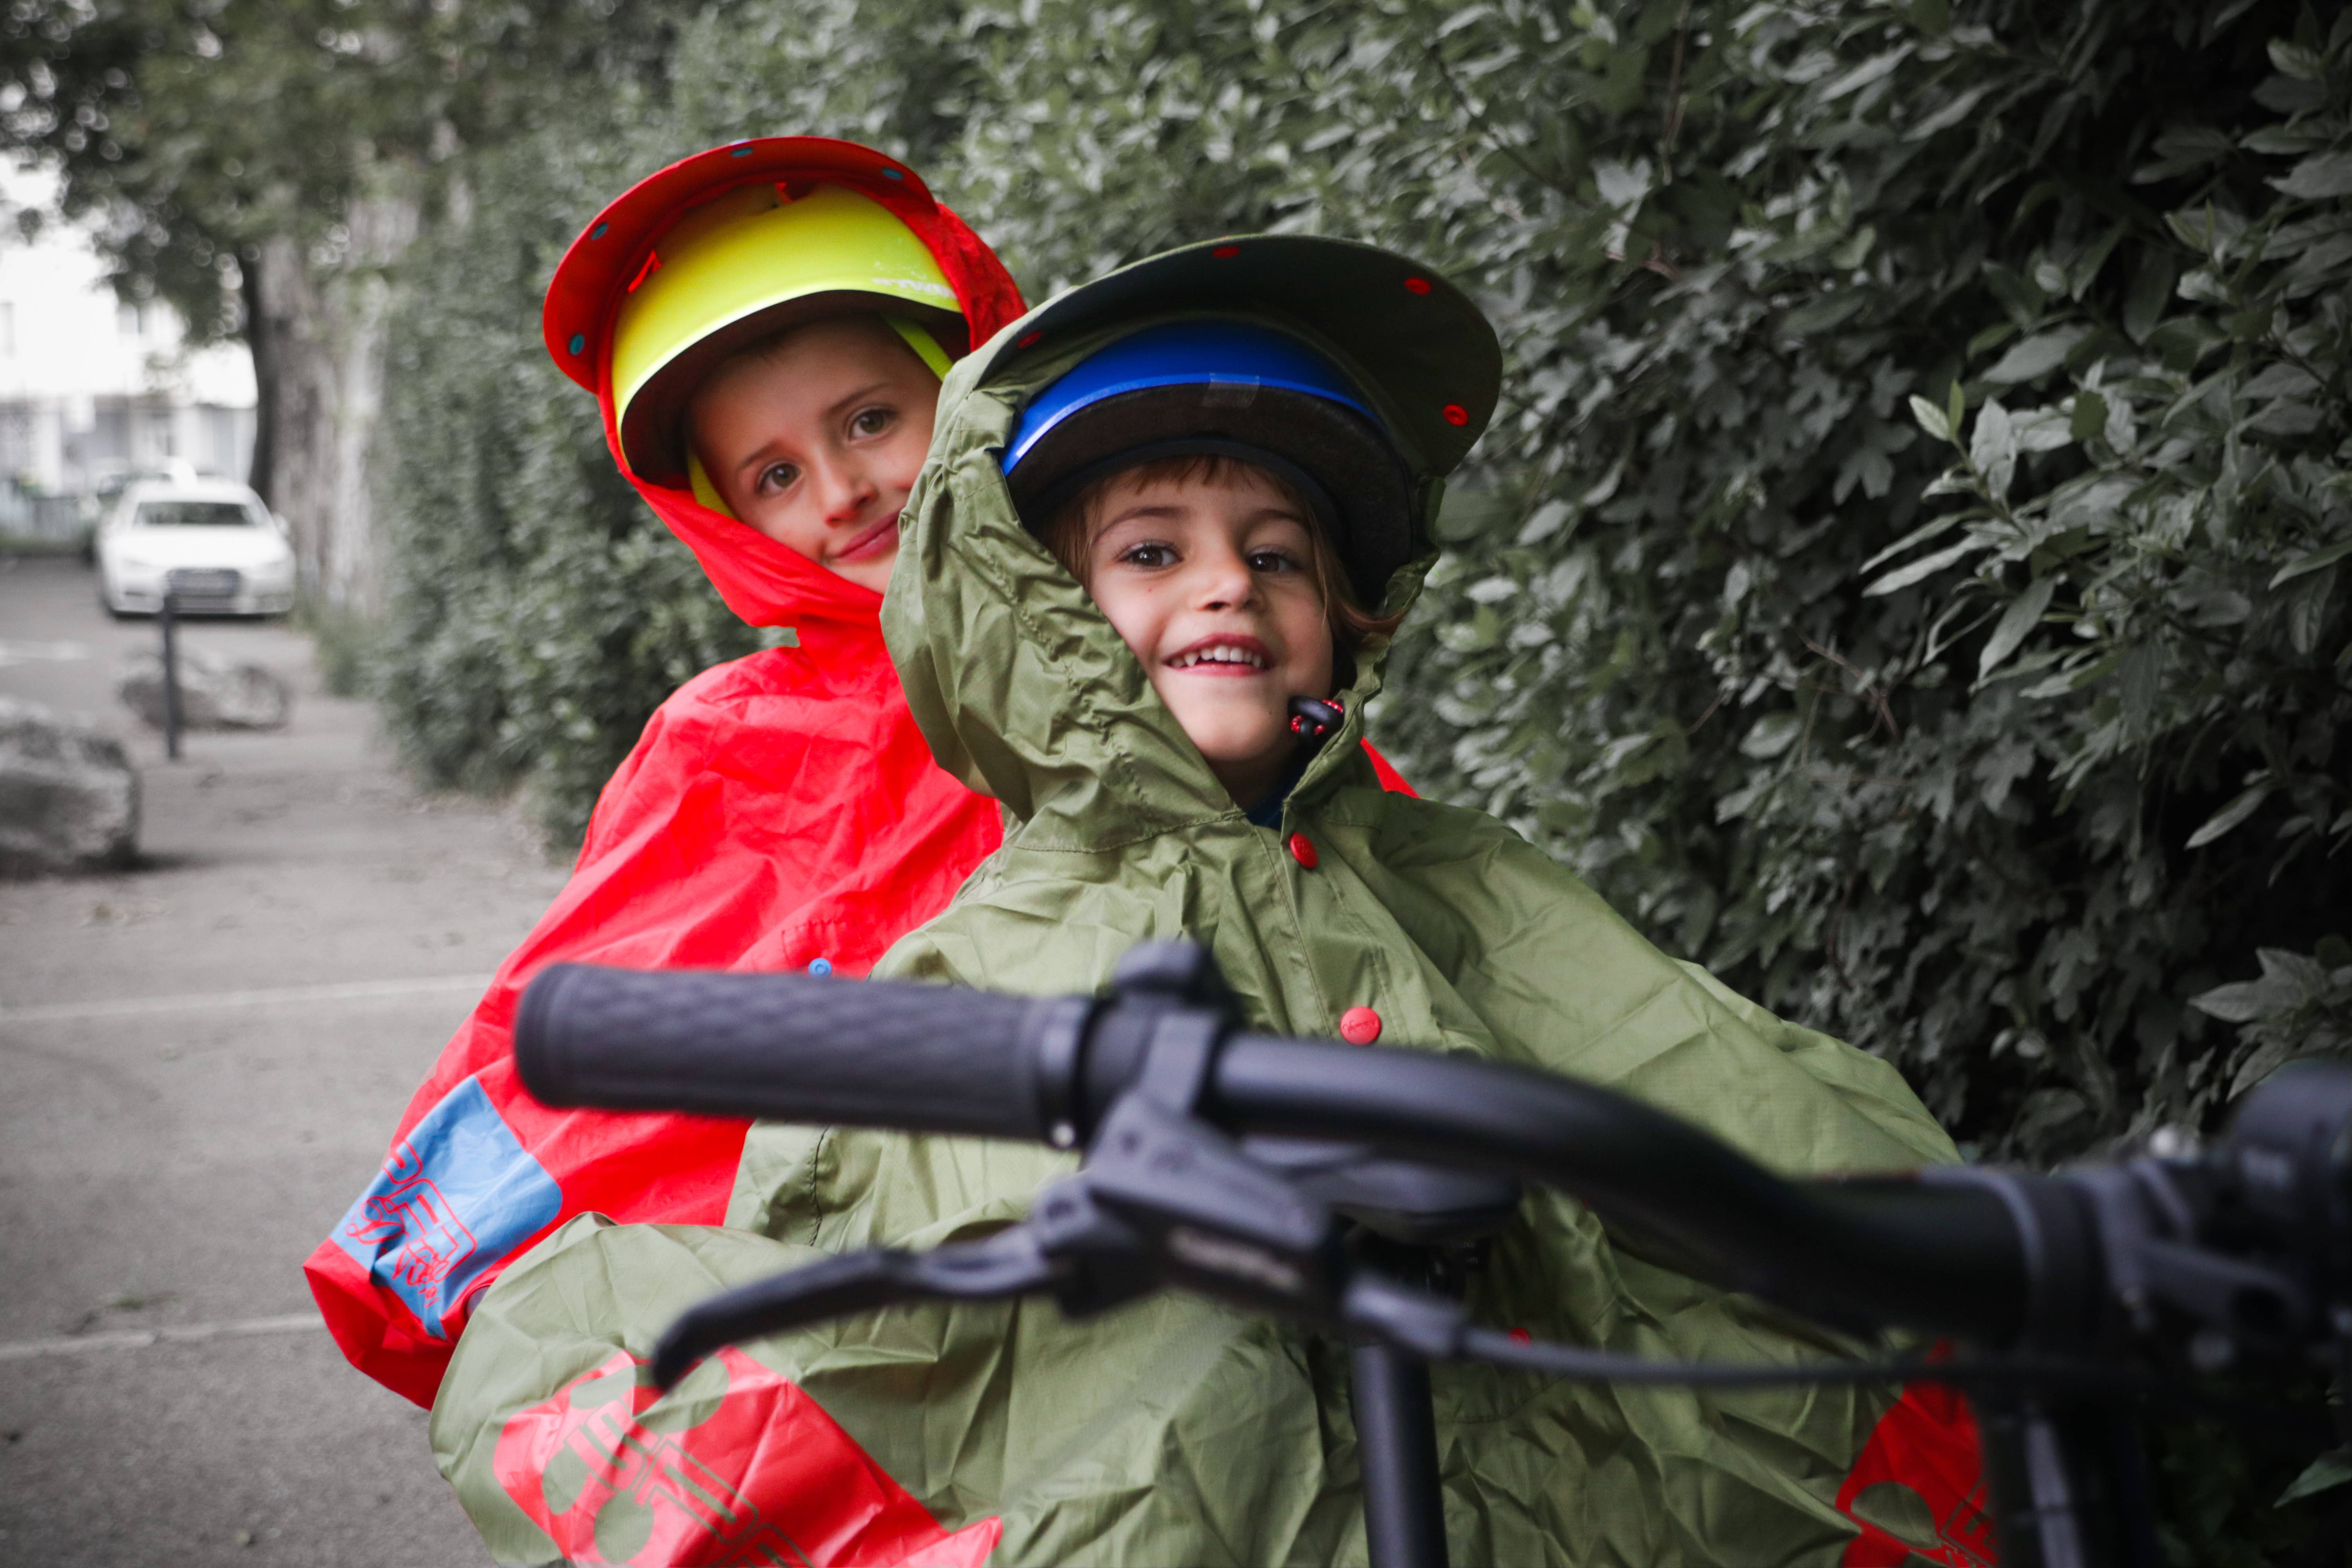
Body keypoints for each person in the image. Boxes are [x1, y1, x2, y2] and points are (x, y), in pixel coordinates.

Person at [435, 236, 1988, 1566]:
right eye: (1154, 552)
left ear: (1347, 612)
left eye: (1279, 555)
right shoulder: (980, 940)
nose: (1230, 584)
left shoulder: (1458, 876)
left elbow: (1752, 1114)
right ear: (1045, 611)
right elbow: (887, 1308)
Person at [300, 137, 1029, 1408]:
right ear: (726, 519)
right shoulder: (728, 743)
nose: (849, 491)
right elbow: (577, 1020)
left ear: (965, 389)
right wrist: (429, 1253)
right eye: (777, 475)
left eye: (871, 418)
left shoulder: (1160, 621)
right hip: (876, 1348)